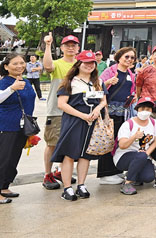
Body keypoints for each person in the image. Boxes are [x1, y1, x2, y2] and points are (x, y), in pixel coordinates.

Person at [52, 50, 108, 201]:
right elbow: (62, 104)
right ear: (78, 64)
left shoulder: (98, 82)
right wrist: (82, 116)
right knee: (70, 153)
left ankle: (81, 184)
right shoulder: (70, 82)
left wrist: (97, 109)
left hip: (93, 122)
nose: (89, 65)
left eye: (92, 63)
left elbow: (103, 101)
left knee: (85, 154)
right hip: (74, 121)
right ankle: (67, 188)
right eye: (86, 63)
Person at [0, 54, 36, 204]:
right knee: (0, 159)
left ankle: (4, 186)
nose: (20, 66)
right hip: (5, 126)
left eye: (22, 63)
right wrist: (12, 89)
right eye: (15, 63)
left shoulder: (25, 81)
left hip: (21, 127)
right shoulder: (4, 82)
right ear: (6, 66)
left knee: (12, 159)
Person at [41, 33, 79, 190]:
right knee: (52, 143)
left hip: (76, 111)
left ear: (78, 48)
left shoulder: (81, 65)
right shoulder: (57, 64)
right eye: (67, 45)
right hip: (56, 110)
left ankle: (61, 171)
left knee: (70, 143)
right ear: (62, 48)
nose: (70, 48)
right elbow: (48, 66)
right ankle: (47, 174)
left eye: (73, 45)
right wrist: (48, 45)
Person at [96, 47, 138, 185]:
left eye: (132, 57)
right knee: (108, 141)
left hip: (123, 112)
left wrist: (132, 97)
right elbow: (96, 87)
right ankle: (105, 174)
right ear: (119, 57)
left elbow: (131, 90)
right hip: (109, 112)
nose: (129, 60)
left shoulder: (131, 74)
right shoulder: (110, 71)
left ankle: (115, 170)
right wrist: (108, 82)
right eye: (127, 56)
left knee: (117, 141)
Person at [114, 97, 156, 195]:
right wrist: (134, 137)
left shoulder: (153, 123)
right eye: (142, 109)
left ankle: (133, 174)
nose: (145, 111)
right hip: (124, 156)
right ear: (137, 109)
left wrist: (146, 154)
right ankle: (127, 183)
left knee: (149, 177)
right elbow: (122, 145)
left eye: (148, 109)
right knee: (141, 156)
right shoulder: (128, 124)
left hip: (142, 156)